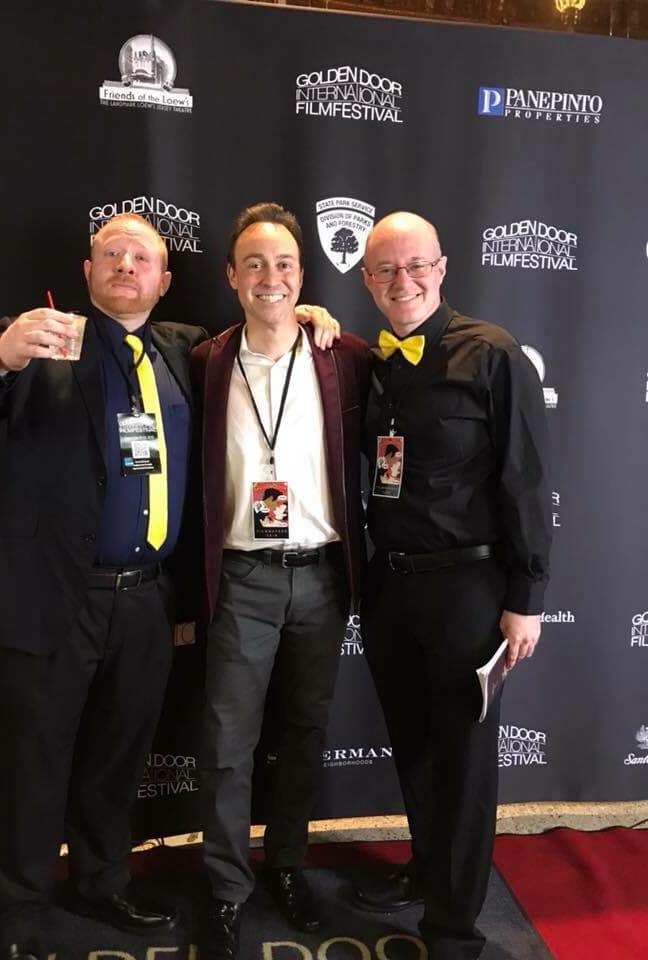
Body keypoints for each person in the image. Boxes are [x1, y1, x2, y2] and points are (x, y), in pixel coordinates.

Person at [0, 213, 207, 960]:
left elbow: (267, 339)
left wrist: (307, 314)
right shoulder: (43, 343)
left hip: (146, 600)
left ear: (164, 280)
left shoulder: (185, 351)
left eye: (141, 256)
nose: (126, 264)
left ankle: (101, 883)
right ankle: (18, 911)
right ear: (87, 272)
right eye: (111, 252)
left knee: (118, 757)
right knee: (33, 760)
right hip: (55, 596)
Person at [354, 212, 551, 959]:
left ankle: (454, 930)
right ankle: (426, 869)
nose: (401, 280)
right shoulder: (372, 363)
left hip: (469, 591)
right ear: (367, 280)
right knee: (415, 750)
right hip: (391, 587)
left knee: (464, 764)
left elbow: (526, 482)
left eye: (415, 266)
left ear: (441, 269)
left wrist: (526, 599)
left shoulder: (492, 353)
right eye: (385, 269)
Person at [189, 202, 370, 960]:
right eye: (255, 264)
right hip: (242, 580)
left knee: (302, 734)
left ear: (304, 275)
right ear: (231, 276)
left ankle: (287, 865)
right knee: (228, 743)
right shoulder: (204, 362)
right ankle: (226, 889)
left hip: (322, 578)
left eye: (285, 264)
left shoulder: (343, 354)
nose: (272, 277)